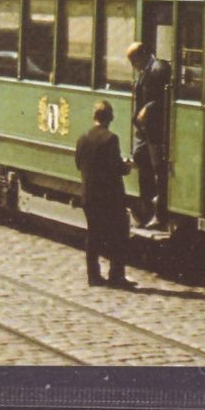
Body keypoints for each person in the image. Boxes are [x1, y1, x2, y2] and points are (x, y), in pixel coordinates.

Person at [74, 101, 135, 288]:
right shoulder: (111, 139)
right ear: (110, 118)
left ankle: (93, 276)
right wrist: (127, 166)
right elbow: (116, 168)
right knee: (118, 236)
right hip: (109, 197)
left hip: (89, 195)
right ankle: (116, 276)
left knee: (93, 236)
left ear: (94, 117)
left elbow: (78, 164)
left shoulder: (82, 138)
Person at [126, 41, 171, 228]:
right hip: (145, 131)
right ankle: (147, 205)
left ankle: (159, 214)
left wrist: (148, 109)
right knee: (140, 159)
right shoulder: (146, 70)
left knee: (159, 170)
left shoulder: (158, 68)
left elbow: (165, 98)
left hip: (156, 130)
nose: (132, 66)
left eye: (133, 60)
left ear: (142, 55)